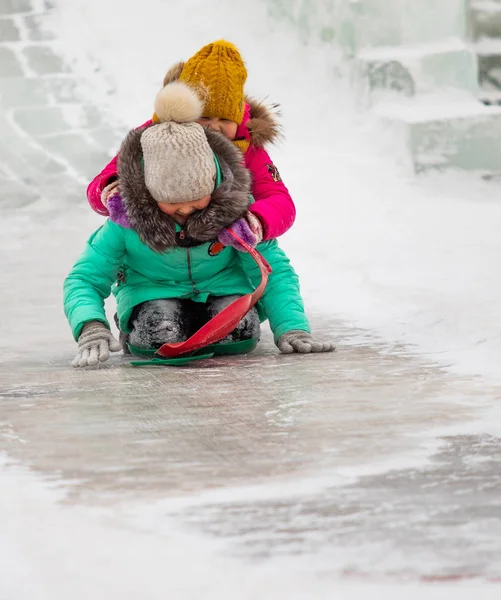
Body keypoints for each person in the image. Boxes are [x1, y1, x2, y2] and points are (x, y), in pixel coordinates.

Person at [65, 82, 333, 368]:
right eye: (171, 202)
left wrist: (292, 327)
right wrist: (90, 326)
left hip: (222, 288)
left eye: (196, 199)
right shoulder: (126, 223)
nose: (184, 209)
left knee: (237, 335)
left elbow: (275, 271)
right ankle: (139, 321)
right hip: (152, 291)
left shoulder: (236, 215)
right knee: (159, 332)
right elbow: (84, 278)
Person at [86, 40, 295, 251]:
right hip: (157, 249)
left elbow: (280, 201)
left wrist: (255, 221)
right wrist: (113, 192)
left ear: (239, 117)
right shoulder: (155, 135)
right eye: (203, 117)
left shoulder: (250, 149)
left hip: (220, 254)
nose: (214, 127)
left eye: (225, 119)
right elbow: (103, 182)